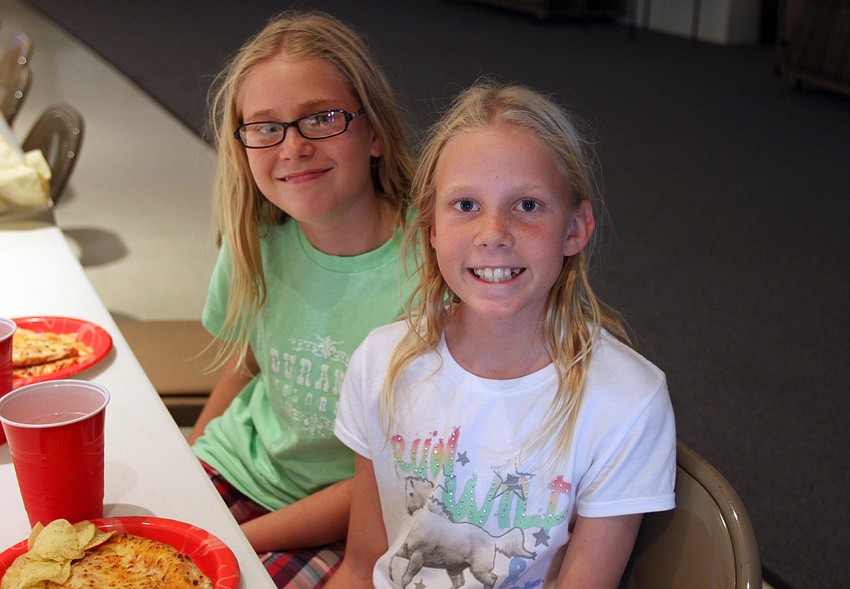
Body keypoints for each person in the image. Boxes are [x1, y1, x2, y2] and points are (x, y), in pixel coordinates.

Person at [330, 81, 676, 589]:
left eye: (528, 205)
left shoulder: (627, 401)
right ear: (430, 226)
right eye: (466, 205)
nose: (493, 232)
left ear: (576, 228)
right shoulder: (381, 361)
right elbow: (362, 568)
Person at [188, 11, 414, 587]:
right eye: (265, 127)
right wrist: (189, 461)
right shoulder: (257, 237)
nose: (292, 147)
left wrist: (232, 537)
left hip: (344, 515)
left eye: (321, 118)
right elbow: (247, 365)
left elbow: (391, 479)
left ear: (375, 133)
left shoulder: (432, 276)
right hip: (233, 464)